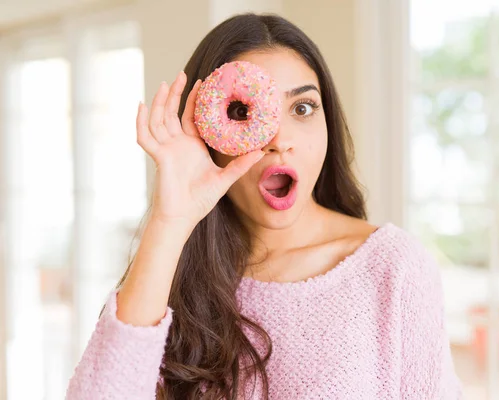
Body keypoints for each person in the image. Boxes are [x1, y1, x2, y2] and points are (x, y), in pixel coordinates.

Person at [66, 13, 462, 400]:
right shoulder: (170, 275)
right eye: (242, 111)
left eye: (302, 108)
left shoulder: (393, 268)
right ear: (205, 135)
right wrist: (170, 221)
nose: (279, 139)